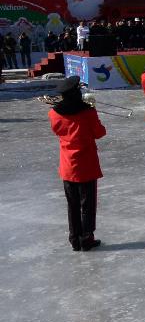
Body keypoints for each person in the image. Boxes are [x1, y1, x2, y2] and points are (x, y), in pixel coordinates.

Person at [48, 76, 107, 252]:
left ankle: (74, 239)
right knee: (87, 204)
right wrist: (93, 110)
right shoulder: (88, 112)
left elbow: (56, 130)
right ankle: (86, 237)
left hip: (68, 165)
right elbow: (99, 133)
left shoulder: (53, 113)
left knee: (72, 204)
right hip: (86, 164)